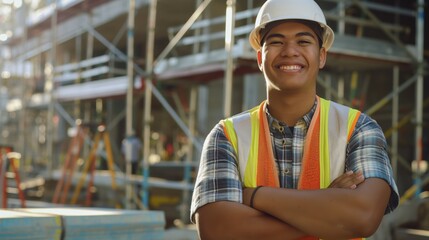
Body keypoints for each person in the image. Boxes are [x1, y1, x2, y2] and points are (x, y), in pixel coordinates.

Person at [190, 0, 399, 239]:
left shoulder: (358, 129)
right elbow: (216, 230)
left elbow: (363, 217)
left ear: (321, 56)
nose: (290, 50)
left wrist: (255, 196)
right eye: (277, 41)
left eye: (303, 41)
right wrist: (327, 211)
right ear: (260, 58)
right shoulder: (227, 135)